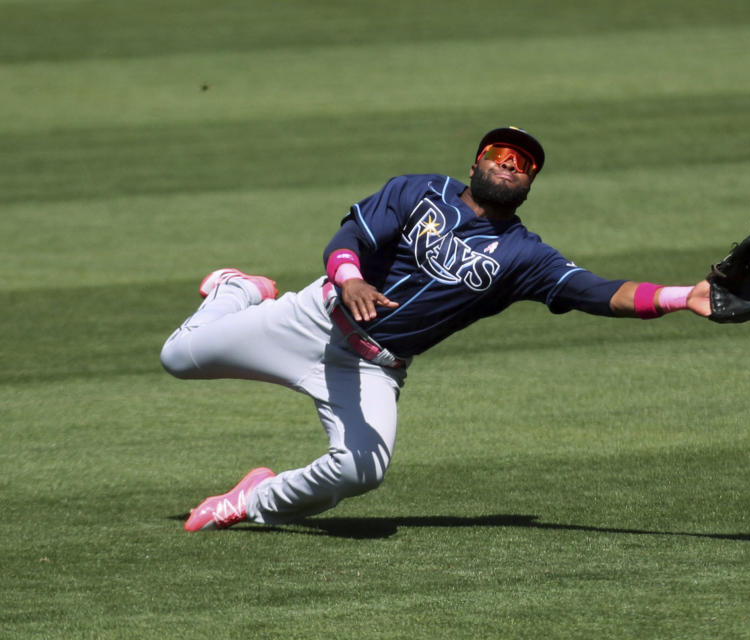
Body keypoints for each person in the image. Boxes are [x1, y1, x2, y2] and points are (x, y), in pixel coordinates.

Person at [160, 126, 712, 532]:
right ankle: (238, 290)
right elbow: (347, 240)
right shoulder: (418, 192)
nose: (510, 165)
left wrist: (682, 297)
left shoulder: (524, 256)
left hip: (371, 365)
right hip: (309, 320)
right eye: (500, 154)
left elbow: (598, 291)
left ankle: (254, 500)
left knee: (362, 471)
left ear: (530, 184)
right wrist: (349, 278)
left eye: (524, 164)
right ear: (476, 162)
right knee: (177, 358)